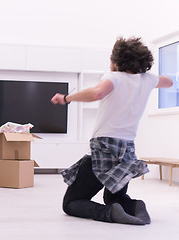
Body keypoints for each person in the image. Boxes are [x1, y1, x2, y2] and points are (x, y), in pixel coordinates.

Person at [51, 37, 173, 225]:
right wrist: (149, 78)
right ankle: (135, 207)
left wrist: (67, 98)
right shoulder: (147, 80)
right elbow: (168, 83)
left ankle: (108, 213)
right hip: (127, 150)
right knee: (114, 197)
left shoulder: (114, 77)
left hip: (104, 147)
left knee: (71, 203)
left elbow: (97, 93)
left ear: (116, 62)